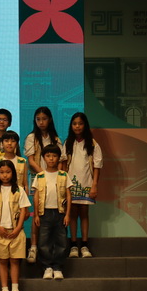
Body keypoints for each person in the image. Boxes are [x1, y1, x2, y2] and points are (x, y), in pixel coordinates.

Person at [24, 106, 65, 263]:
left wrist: (55, 175)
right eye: (38, 119)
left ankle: (52, 248)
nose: (41, 122)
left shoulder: (56, 139)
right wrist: (45, 175)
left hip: (55, 180)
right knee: (38, 212)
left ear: (50, 120)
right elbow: (31, 160)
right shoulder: (31, 137)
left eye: (44, 119)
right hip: (38, 177)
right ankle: (34, 246)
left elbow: (61, 160)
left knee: (53, 213)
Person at [0, 161, 31, 291]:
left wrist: (18, 228)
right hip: (0, 231)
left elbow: (23, 210)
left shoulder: (19, 190)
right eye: (2, 172)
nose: (5, 175)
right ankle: (4, 290)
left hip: (16, 231)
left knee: (15, 260)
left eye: (8, 172)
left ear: (13, 173)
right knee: (2, 260)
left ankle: (15, 290)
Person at [65, 112, 102, 258]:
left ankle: (85, 245)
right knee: (73, 214)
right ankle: (73, 245)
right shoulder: (68, 143)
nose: (77, 126)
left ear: (85, 125)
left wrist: (94, 185)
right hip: (71, 184)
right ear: (71, 126)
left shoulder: (92, 144)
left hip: (86, 182)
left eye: (80, 123)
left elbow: (97, 166)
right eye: (74, 124)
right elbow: (63, 164)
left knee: (84, 213)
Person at [33, 145, 72, 280]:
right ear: (44, 158)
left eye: (54, 156)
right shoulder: (40, 176)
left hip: (60, 212)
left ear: (58, 158)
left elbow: (68, 195)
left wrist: (68, 214)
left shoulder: (63, 175)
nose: (51, 159)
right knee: (44, 241)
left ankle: (58, 267)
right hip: (44, 213)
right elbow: (36, 196)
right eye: (48, 156)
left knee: (61, 241)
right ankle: (47, 267)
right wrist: (36, 214)